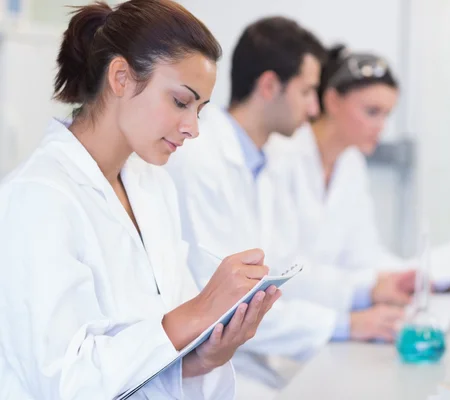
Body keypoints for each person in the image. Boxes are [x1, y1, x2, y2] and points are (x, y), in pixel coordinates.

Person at [0, 1, 280, 399]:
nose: (193, 128)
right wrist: (196, 313)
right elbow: (62, 382)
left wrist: (204, 355)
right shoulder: (37, 198)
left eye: (200, 110)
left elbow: (154, 357)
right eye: (181, 102)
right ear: (121, 78)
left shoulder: (152, 187)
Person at [165, 17, 414, 397]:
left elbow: (284, 271)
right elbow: (231, 305)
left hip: (256, 356)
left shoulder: (263, 163)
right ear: (269, 86)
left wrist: (358, 307)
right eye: (307, 92)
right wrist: (346, 323)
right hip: (213, 367)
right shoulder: (202, 161)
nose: (314, 107)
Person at [265, 45, 411, 276]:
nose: (381, 126)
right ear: (332, 101)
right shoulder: (281, 155)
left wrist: (411, 277)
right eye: (372, 112)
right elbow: (281, 265)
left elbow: (364, 254)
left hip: (331, 304)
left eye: (387, 115)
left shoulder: (352, 163)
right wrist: (359, 296)